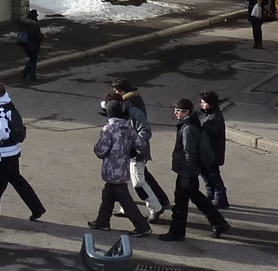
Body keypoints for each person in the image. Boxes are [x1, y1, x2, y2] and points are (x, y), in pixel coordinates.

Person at [160, 98, 230, 241]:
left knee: (180, 203)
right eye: (175, 110)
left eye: (179, 111)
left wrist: (185, 175)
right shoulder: (190, 125)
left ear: (187, 112)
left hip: (187, 171)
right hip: (191, 170)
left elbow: (189, 154)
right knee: (197, 198)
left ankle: (177, 232)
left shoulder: (188, 129)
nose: (176, 113)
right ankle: (219, 223)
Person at [107, 78, 170, 218]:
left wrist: (135, 145)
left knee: (138, 182)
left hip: (134, 151)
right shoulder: (129, 103)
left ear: (122, 91)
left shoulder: (133, 107)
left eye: (116, 91)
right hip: (129, 149)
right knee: (129, 179)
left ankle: (155, 207)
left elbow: (145, 130)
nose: (115, 93)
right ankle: (133, 206)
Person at [88, 99, 152, 236]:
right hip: (123, 168)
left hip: (111, 169)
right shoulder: (128, 127)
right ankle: (102, 221)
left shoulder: (109, 129)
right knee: (108, 194)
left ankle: (142, 226)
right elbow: (141, 144)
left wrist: (97, 148)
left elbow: (100, 150)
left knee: (125, 199)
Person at [0, 82, 45, 222]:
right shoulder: (10, 106)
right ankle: (37, 208)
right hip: (13, 152)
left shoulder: (1, 111)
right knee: (18, 182)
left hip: (2, 155)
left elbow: (2, 134)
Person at [198, 91, 229, 209]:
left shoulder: (214, 118)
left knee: (213, 175)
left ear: (211, 103)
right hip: (208, 152)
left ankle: (220, 199)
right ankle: (211, 195)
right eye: (201, 102)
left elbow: (208, 134)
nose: (201, 105)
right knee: (206, 174)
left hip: (212, 153)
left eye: (204, 102)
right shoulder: (209, 114)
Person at [17, 9, 44, 84]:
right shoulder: (35, 25)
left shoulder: (24, 23)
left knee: (31, 59)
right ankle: (32, 77)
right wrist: (43, 35)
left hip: (24, 44)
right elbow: (38, 37)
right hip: (33, 45)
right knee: (33, 61)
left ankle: (24, 73)